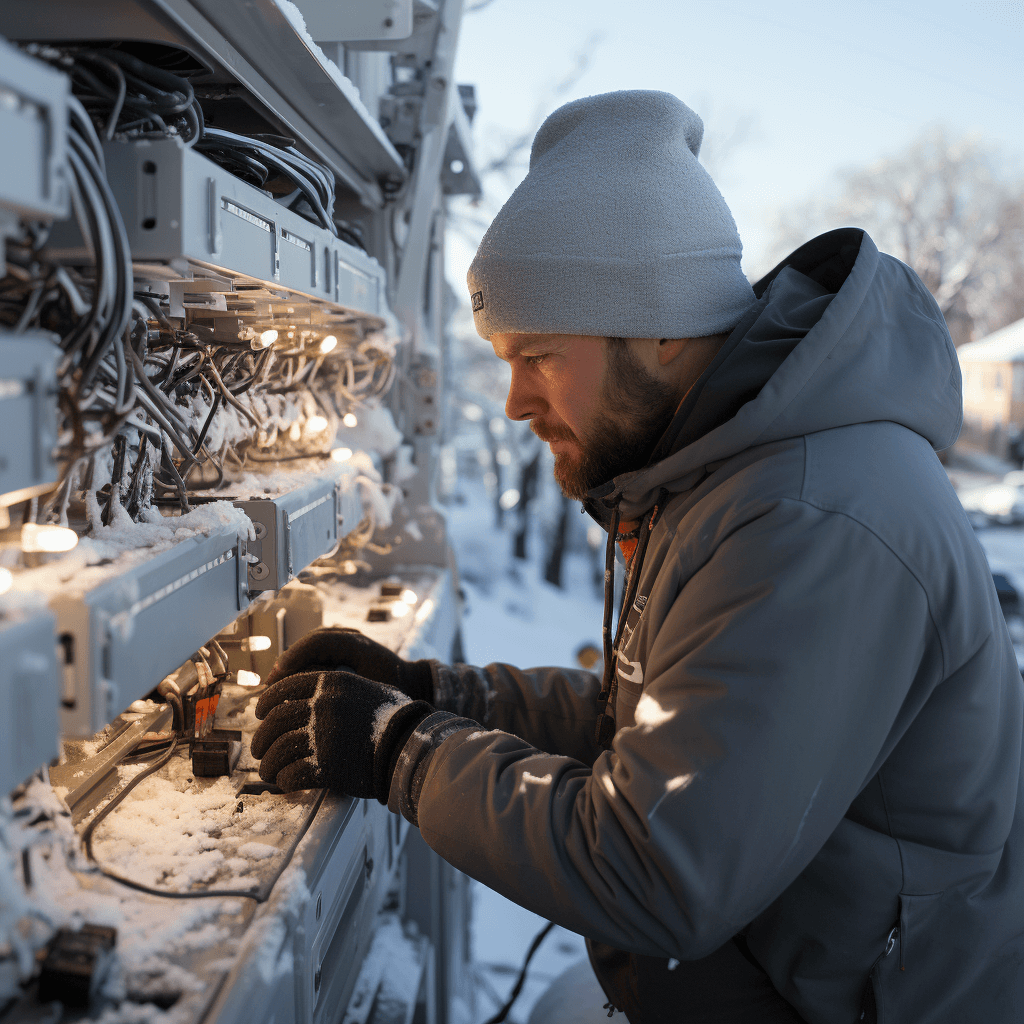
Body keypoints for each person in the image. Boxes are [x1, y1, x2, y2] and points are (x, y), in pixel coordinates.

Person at [250, 91, 1024, 1023]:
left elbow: (656, 869)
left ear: (660, 329)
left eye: (536, 355)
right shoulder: (722, 472)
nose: (513, 404)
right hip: (764, 973)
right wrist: (433, 692)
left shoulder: (813, 517)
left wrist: (399, 750)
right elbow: (665, 723)